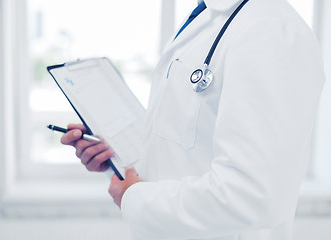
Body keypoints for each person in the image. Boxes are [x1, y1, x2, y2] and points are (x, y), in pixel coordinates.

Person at [60, 0, 325, 239]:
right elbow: (188, 148)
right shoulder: (210, 18)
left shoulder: (269, 31)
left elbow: (251, 196)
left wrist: (135, 197)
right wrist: (119, 160)